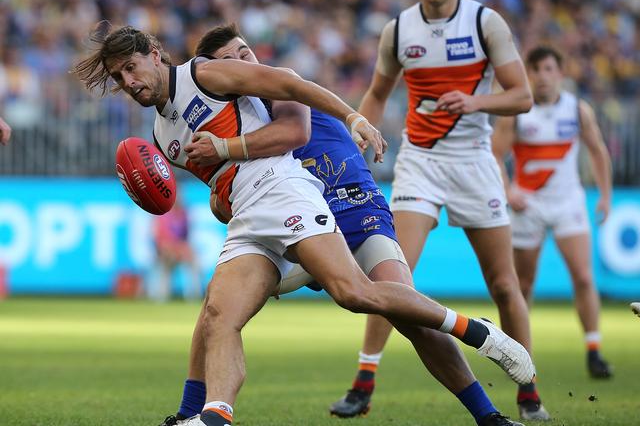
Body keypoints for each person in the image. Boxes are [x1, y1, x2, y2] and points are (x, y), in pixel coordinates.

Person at [73, 24, 534, 426]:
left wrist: (353, 116)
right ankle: (206, 417)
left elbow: (292, 103)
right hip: (255, 219)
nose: (129, 82)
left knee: (357, 295)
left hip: (308, 198)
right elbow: (222, 193)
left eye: (132, 68)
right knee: (218, 312)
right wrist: (217, 196)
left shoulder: (207, 76)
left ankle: (477, 335)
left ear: (155, 55)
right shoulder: (162, 135)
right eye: (119, 78)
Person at [329, 0, 547, 421]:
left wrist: (475, 102)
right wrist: (356, 139)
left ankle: (528, 391)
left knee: (505, 286)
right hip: (420, 161)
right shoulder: (398, 29)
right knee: (394, 275)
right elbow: (377, 93)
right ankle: (363, 381)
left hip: (474, 161)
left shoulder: (485, 22)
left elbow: (522, 96)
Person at [493, 46, 614, 379]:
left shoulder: (577, 109)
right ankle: (520, 355)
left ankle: (594, 350)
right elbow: (494, 154)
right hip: (527, 205)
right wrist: (508, 189)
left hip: (567, 203)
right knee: (523, 283)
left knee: (585, 277)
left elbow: (598, 151)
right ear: (528, 74)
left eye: (548, 69)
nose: (542, 76)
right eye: (536, 70)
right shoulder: (518, 110)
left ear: (560, 73)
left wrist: (605, 196)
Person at [151, 196, 202, 301]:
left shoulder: (184, 215)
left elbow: (185, 237)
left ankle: (194, 296)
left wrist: (183, 249)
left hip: (179, 250)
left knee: (194, 259)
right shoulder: (163, 215)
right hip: (165, 251)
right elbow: (160, 238)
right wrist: (174, 248)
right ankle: (161, 296)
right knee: (166, 260)